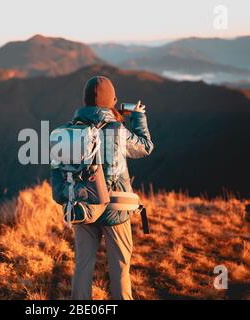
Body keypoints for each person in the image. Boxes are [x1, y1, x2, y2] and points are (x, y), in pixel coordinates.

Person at [70, 75, 154, 300]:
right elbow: (145, 147)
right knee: (119, 267)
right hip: (114, 208)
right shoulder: (117, 131)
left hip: (83, 206)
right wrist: (139, 117)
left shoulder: (72, 129)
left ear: (85, 100)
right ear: (112, 102)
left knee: (83, 266)